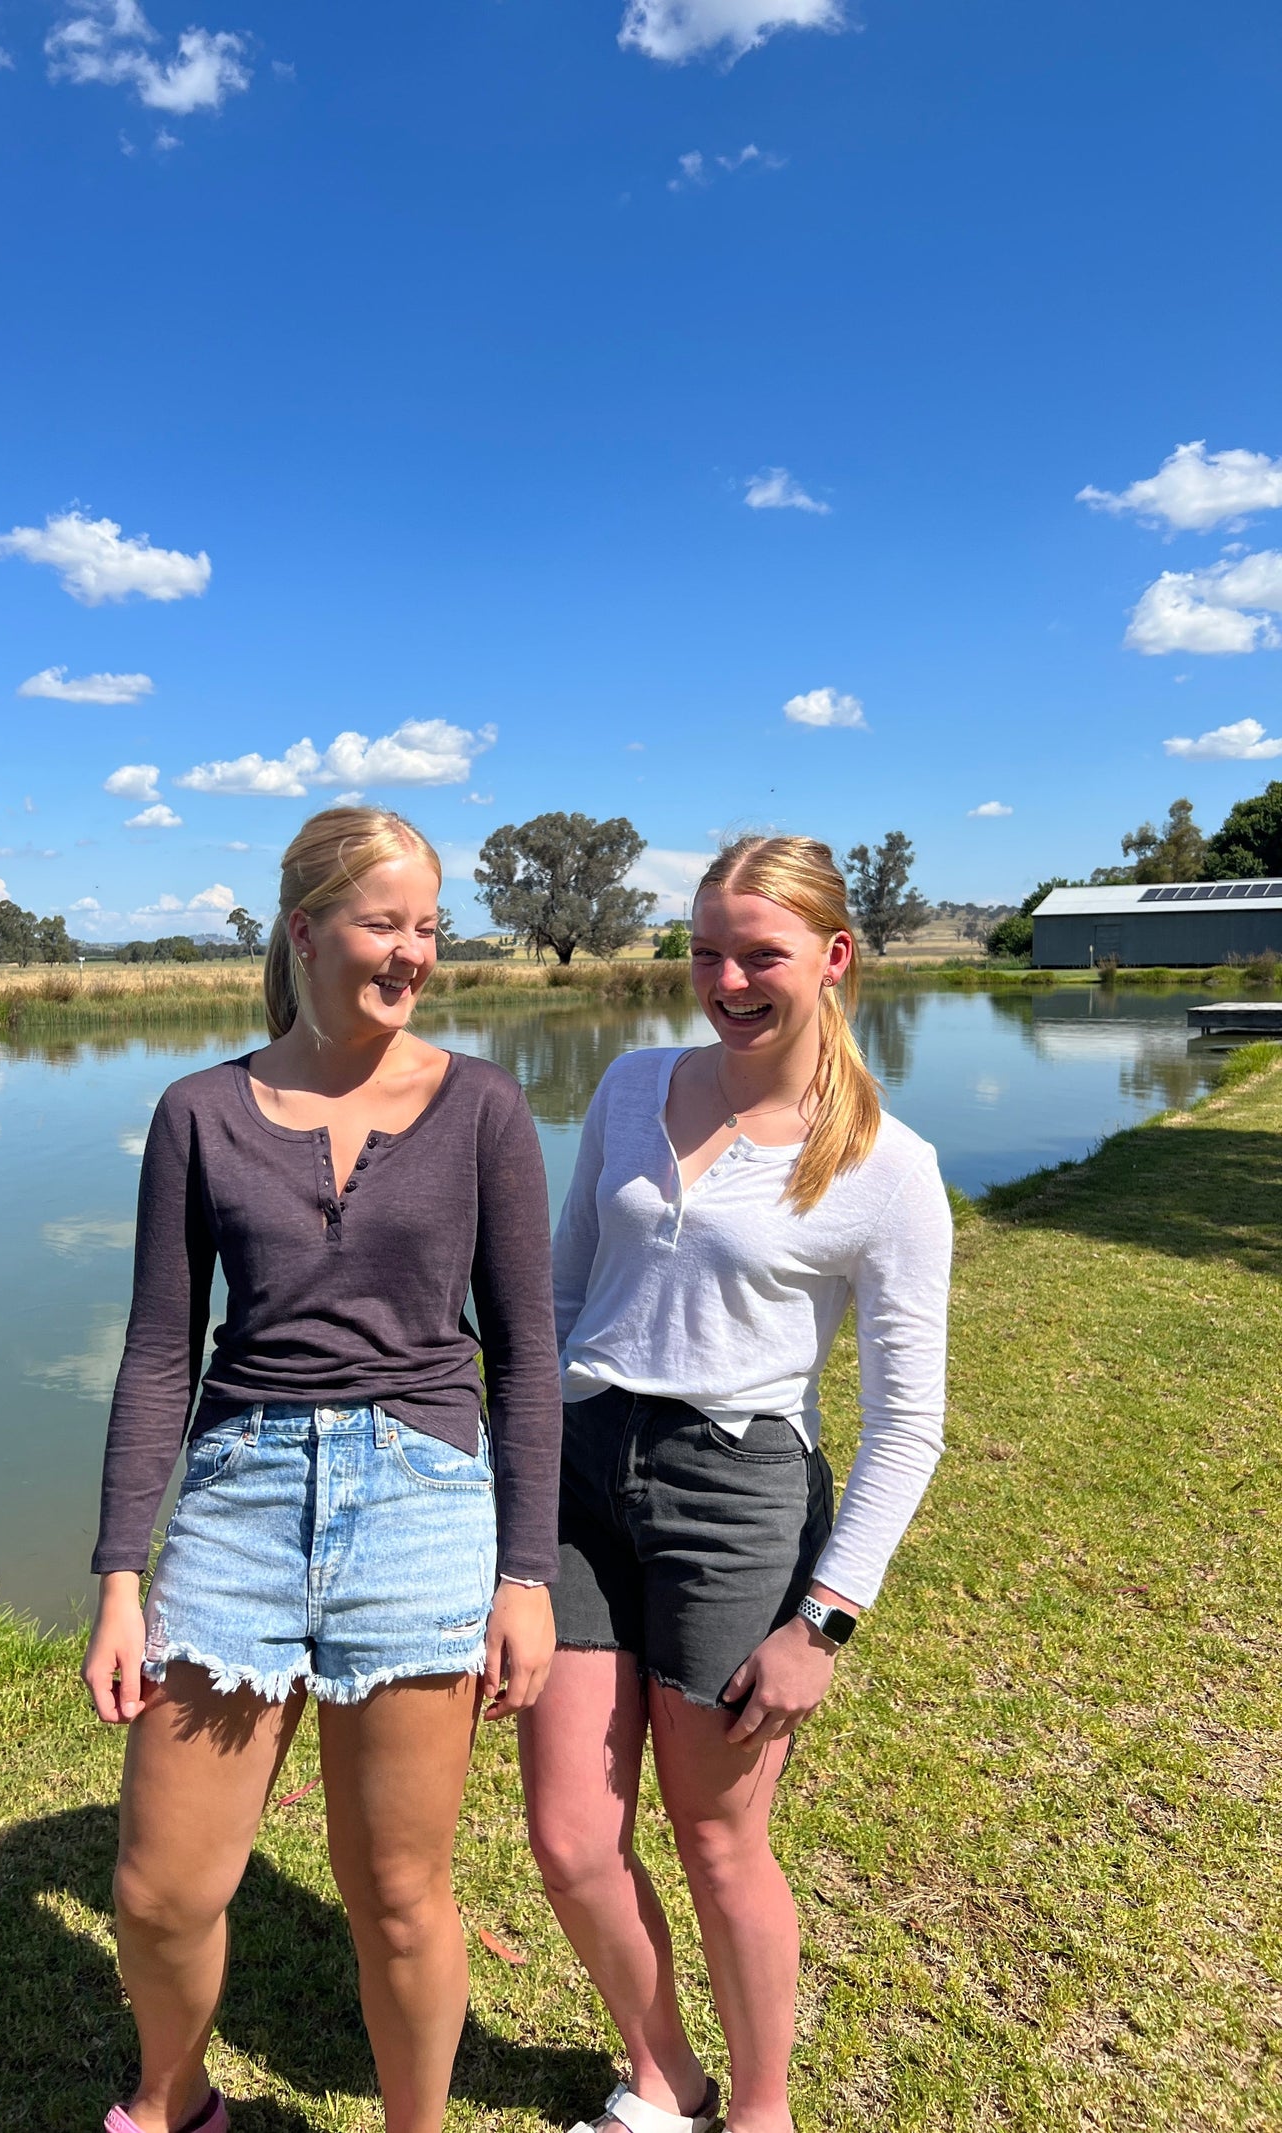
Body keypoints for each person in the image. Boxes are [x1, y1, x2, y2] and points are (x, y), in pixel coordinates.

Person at [82, 805, 562, 2133]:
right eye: (384, 923)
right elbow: (160, 1354)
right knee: (158, 1888)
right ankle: (173, 2104)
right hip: (236, 1502)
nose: (413, 954)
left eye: (429, 928)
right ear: (303, 930)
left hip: (419, 1502)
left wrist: (526, 1574)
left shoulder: (486, 1108)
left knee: (399, 1892)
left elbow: (525, 1359)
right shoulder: (197, 1112)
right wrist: (123, 1574)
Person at [520, 834, 953, 2133]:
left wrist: (823, 1619)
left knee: (717, 1840)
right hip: (585, 1475)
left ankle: (759, 2111)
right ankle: (666, 2076)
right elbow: (555, 1298)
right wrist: (516, 1500)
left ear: (832, 958)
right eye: (707, 950)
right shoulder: (629, 1084)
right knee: (571, 1837)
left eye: (760, 953)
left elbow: (909, 1424)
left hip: (736, 1497)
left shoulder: (889, 1164)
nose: (726, 977)